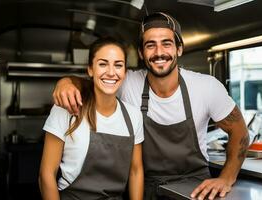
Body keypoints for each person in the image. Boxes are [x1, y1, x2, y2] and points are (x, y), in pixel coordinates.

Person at [52, 12, 249, 200]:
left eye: (166, 43)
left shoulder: (207, 87)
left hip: (196, 189)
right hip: (146, 189)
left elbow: (240, 132)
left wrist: (226, 178)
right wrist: (66, 82)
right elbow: (94, 82)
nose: (159, 52)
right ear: (141, 52)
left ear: (179, 49)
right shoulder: (128, 83)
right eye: (150, 45)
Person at [39, 37, 144, 200]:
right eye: (103, 64)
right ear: (90, 69)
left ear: (124, 72)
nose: (111, 72)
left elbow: (136, 170)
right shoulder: (65, 109)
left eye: (118, 65)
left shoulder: (133, 116)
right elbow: (46, 175)